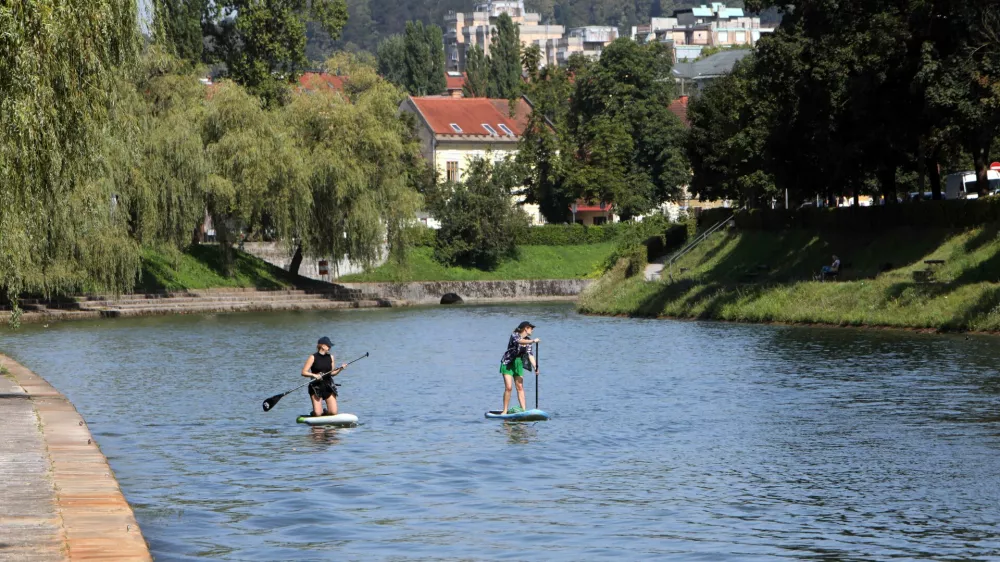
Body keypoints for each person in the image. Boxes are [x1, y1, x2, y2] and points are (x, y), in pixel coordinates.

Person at [499, 321, 539, 414]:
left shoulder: (528, 340)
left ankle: (523, 410)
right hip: (508, 363)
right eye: (531, 328)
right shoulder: (515, 335)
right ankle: (504, 411)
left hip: (518, 363)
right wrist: (533, 341)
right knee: (509, 387)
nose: (532, 330)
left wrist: (535, 367)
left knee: (520, 387)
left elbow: (530, 355)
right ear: (526, 328)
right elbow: (520, 341)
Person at [301, 336, 347, 417]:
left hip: (328, 385)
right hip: (316, 387)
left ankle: (325, 412)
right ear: (322, 346)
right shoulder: (313, 357)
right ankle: (315, 413)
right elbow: (303, 372)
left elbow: (332, 373)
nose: (330, 347)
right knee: (318, 414)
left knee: (333, 412)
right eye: (328, 346)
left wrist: (340, 369)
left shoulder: (331, 357)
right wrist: (314, 375)